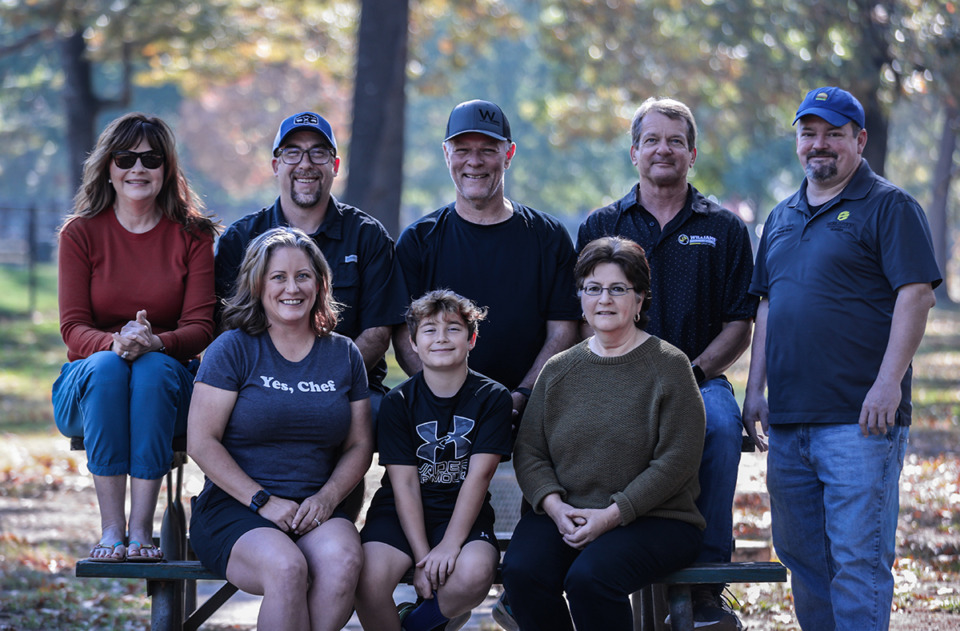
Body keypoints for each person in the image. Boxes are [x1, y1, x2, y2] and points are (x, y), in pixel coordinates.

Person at [742, 86, 940, 631]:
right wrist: (754, 389)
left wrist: (888, 384)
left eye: (834, 133)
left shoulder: (889, 206)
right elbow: (767, 308)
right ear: (798, 141)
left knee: (857, 563)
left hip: (861, 420)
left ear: (860, 139)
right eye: (809, 133)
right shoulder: (780, 217)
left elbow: (916, 294)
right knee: (803, 561)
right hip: (788, 421)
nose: (819, 144)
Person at [576, 96, 757, 629]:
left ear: (692, 153)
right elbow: (584, 310)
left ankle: (705, 584)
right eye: (651, 140)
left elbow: (739, 324)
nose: (663, 149)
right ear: (634, 152)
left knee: (721, 427)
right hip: (612, 373)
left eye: (675, 141)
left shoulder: (723, 229)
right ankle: (575, 555)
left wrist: (691, 374)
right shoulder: (603, 224)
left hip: (699, 376)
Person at [501, 236, 706, 631]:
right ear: (581, 297)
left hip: (654, 518)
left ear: (641, 299)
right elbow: (529, 452)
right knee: (524, 572)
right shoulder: (559, 368)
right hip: (567, 513)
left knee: (591, 580)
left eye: (618, 289)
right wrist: (557, 508)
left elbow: (677, 461)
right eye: (593, 289)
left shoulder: (670, 366)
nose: (604, 300)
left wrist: (611, 516)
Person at [188, 227, 373, 631]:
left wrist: (327, 498)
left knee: (344, 562)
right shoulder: (233, 348)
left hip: (314, 511)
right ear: (258, 284)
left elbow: (360, 444)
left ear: (321, 284)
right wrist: (262, 501)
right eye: (279, 277)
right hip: (236, 508)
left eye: (303, 276)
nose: (293, 288)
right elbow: (201, 442)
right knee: (287, 568)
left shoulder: (344, 353)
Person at [53, 112, 218, 563]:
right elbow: (72, 329)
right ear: (108, 165)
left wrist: (153, 343)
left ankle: (142, 530)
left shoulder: (194, 236)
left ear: (167, 168)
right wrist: (115, 343)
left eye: (151, 158)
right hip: (88, 386)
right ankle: (111, 529)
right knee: (109, 366)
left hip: (167, 383)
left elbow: (202, 327)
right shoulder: (80, 234)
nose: (137, 169)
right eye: (125, 157)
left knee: (149, 369)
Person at [393, 99, 580, 422]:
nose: (474, 162)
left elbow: (564, 331)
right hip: (442, 412)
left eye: (488, 150)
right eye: (462, 149)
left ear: (509, 155)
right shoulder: (418, 241)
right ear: (446, 154)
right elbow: (402, 334)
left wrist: (522, 395)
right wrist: (446, 397)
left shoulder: (549, 237)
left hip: (535, 412)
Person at [214, 111, 407, 420]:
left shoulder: (367, 236)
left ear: (335, 166)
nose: (306, 163)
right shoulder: (241, 238)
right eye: (292, 152)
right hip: (258, 384)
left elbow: (377, 333)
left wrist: (323, 384)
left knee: (395, 416)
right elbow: (226, 326)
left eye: (319, 152)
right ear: (276, 167)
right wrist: (278, 385)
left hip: (349, 386)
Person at [355, 289, 512, 631]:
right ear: (412, 342)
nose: (441, 338)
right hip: (399, 513)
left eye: (453, 328)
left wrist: (450, 544)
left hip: (461, 513)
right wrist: (425, 555)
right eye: (429, 330)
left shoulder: (493, 397)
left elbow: (478, 476)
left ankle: (417, 623)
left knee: (474, 574)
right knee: (367, 579)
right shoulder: (398, 402)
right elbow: (405, 483)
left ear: (471, 339)